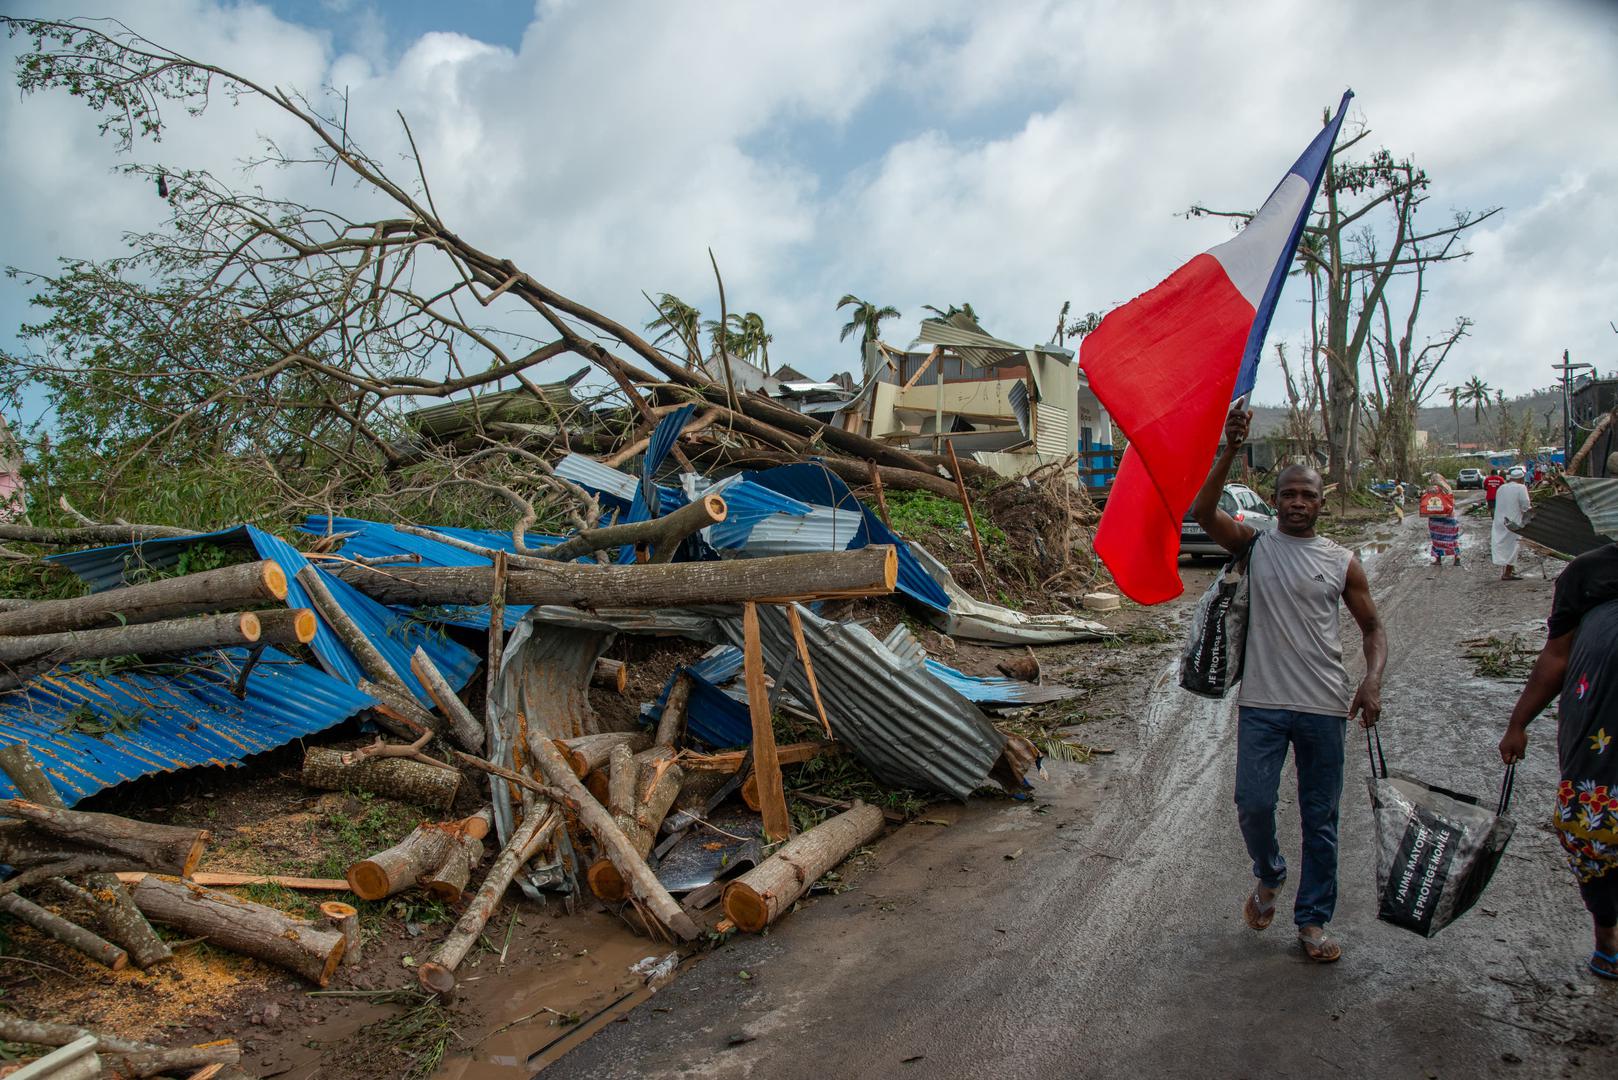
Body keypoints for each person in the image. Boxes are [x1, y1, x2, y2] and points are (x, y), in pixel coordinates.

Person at [1192, 405, 1387, 963]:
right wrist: (1229, 447)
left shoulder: (1342, 562)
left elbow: (1373, 628)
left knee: (1320, 819)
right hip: (1264, 705)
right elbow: (1203, 511)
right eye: (1289, 495)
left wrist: (1371, 681)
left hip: (1325, 708)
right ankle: (1270, 873)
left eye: (1308, 495)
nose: (1298, 503)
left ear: (1322, 502)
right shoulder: (1254, 546)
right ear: (1274, 501)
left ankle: (1312, 921)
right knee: (1253, 804)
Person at [1498, 542, 1618, 980]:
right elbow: (1557, 654)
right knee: (1592, 834)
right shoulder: (1588, 572)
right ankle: (1606, 932)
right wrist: (1519, 722)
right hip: (1597, 726)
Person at [1492, 471, 1532, 580]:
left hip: (1500, 520)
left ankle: (1509, 570)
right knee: (1513, 546)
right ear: (1521, 478)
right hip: (1513, 521)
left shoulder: (1501, 488)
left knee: (1504, 545)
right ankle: (1507, 573)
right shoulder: (1521, 487)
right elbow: (1525, 505)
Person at [1422, 473, 1460, 566]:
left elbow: (1424, 499)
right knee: (1453, 539)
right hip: (1449, 517)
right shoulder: (1448, 488)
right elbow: (1452, 502)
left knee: (1437, 539)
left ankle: (1438, 560)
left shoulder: (1431, 489)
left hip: (1436, 518)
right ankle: (1457, 557)